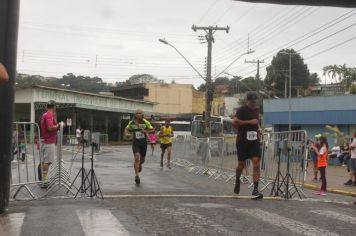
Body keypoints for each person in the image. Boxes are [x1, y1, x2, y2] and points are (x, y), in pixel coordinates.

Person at [233, 92, 263, 197]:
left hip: (254, 141)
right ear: (247, 101)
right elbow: (235, 122)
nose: (253, 104)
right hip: (242, 141)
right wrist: (249, 122)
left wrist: (259, 131)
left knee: (256, 163)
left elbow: (257, 123)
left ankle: (255, 189)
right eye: (252, 102)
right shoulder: (242, 110)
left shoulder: (257, 110)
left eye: (255, 102)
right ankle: (237, 180)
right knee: (241, 165)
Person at [125, 109, 154, 184]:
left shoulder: (145, 122)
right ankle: (137, 176)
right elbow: (127, 129)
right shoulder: (131, 122)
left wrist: (146, 131)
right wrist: (127, 134)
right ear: (135, 115)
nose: (138, 114)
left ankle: (140, 165)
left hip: (143, 143)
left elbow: (153, 130)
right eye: (137, 113)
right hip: (136, 143)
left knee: (142, 160)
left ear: (142, 114)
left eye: (140, 113)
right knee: (137, 158)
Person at [40, 100, 64, 187]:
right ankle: (45, 181)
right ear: (54, 107)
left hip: (45, 140)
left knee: (45, 161)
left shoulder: (44, 115)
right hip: (48, 141)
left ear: (47, 107)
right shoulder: (49, 115)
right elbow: (50, 128)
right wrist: (59, 125)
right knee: (47, 162)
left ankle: (44, 179)